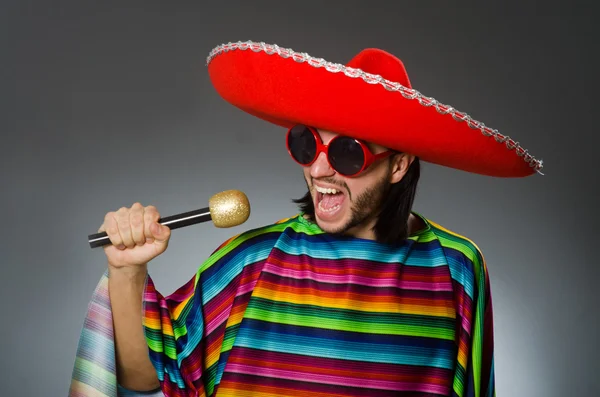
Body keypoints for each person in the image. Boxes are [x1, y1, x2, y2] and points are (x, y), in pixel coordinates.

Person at [69, 40, 543, 397]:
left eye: (347, 152)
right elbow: (146, 375)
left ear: (398, 165)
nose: (318, 169)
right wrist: (127, 270)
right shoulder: (251, 262)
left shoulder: (456, 269)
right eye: (306, 143)